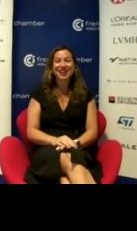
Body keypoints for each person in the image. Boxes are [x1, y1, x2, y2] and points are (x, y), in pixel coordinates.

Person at [25, 45, 101, 184]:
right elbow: (31, 131)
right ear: (51, 66)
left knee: (66, 180)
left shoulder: (87, 95)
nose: (63, 65)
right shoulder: (39, 94)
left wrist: (75, 143)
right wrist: (55, 140)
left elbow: (92, 132)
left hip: (78, 148)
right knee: (69, 160)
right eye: (58, 61)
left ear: (74, 66)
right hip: (47, 150)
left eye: (67, 60)